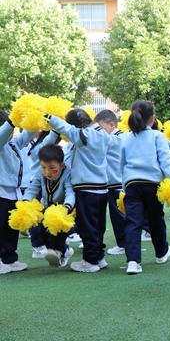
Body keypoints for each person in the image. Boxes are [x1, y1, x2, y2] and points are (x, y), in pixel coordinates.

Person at [46, 109, 110, 273]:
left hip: (86, 188)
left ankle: (90, 261)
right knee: (98, 225)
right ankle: (99, 257)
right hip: (102, 188)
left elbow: (65, 129)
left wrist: (49, 116)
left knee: (87, 226)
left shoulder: (82, 136)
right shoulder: (101, 132)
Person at [119, 100, 170, 274]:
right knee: (156, 219)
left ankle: (133, 261)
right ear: (152, 118)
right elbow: (165, 160)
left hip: (132, 184)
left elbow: (122, 164)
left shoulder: (127, 139)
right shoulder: (157, 136)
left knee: (133, 222)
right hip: (153, 184)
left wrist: (124, 185)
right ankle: (161, 252)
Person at [22, 144, 75, 267]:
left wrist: (67, 207)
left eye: (52, 168)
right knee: (41, 232)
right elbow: (32, 188)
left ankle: (58, 251)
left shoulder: (67, 173)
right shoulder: (40, 173)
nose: (47, 172)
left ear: (62, 166)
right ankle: (65, 250)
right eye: (43, 167)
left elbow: (70, 192)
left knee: (58, 233)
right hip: (45, 209)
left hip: (62, 211)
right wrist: (25, 201)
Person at [0, 111, 35, 274]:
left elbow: (28, 135)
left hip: (13, 193)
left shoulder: (12, 144)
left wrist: (36, 118)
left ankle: (9, 260)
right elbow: (3, 133)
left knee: (11, 229)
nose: (13, 133)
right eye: (10, 128)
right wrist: (11, 121)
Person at [92, 110, 128, 256]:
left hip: (116, 182)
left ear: (112, 124)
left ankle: (123, 244)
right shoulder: (116, 136)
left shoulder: (119, 137)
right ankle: (122, 243)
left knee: (119, 216)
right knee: (113, 216)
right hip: (109, 182)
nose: (99, 132)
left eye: (101, 128)